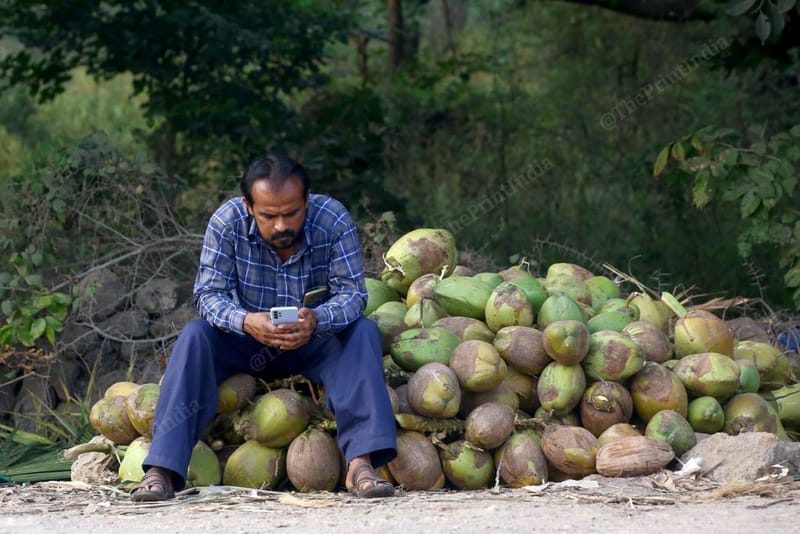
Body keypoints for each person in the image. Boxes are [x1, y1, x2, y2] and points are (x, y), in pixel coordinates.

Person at [130, 153, 397, 501]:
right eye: (269, 216)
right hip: (245, 342)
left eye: (292, 213)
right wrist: (245, 321)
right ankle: (162, 469)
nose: (281, 225)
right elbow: (208, 295)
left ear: (307, 200)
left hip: (313, 340)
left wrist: (318, 318)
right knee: (196, 335)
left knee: (362, 331)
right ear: (249, 206)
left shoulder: (332, 218)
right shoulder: (227, 222)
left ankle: (361, 464)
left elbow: (353, 294)